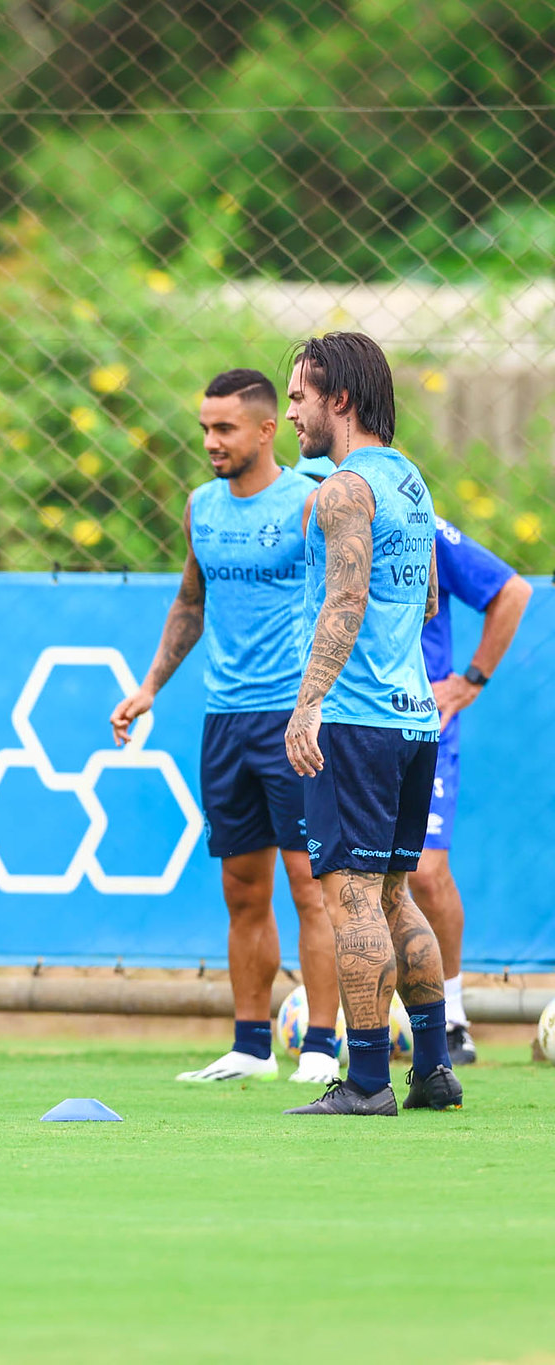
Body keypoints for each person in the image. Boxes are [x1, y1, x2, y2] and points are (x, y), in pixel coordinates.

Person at [109, 369, 341, 1086]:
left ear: (268, 430)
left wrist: (324, 698)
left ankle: (322, 1049)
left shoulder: (310, 502)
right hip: (225, 721)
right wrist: (149, 686)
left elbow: (346, 601)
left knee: (313, 886)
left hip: (294, 719)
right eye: (205, 428)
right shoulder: (201, 508)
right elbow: (190, 600)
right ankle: (249, 1045)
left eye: (225, 429)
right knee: (243, 886)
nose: (210, 441)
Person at [277, 332, 457, 1117]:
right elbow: (420, 602)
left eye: (298, 397)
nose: (291, 414)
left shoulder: (346, 488)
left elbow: (345, 602)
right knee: (393, 894)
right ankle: (435, 1069)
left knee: (347, 897)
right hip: (414, 718)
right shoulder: (410, 481)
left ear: (338, 399)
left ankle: (368, 1080)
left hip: (356, 719)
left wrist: (309, 699)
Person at [408, 515, 532, 1064]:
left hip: (421, 720)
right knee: (347, 876)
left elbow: (511, 590)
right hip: (349, 720)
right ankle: (361, 1021)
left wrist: (471, 679)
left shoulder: (420, 520)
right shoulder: (311, 509)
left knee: (425, 873)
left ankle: (451, 1017)